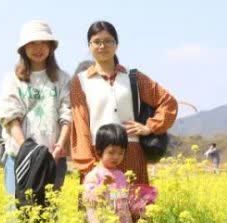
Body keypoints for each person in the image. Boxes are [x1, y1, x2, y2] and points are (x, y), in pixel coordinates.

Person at [70, 21, 178, 187]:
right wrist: (89, 168)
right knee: (99, 210)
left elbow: (168, 103)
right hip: (97, 156)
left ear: (116, 45)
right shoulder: (80, 81)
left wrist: (150, 127)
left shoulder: (133, 77)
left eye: (108, 41)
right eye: (97, 42)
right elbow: (80, 126)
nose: (102, 46)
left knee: (135, 209)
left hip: (131, 152)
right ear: (89, 46)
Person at [0, 20, 72, 197]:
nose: (38, 48)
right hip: (18, 157)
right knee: (16, 215)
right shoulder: (12, 79)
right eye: (32, 43)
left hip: (53, 158)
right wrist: (27, 150)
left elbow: (67, 114)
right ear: (23, 47)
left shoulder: (62, 79)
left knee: (46, 218)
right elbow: (10, 116)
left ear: (51, 47)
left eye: (43, 43)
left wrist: (60, 146)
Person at [82, 124, 134, 223]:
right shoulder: (93, 175)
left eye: (121, 153)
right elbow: (88, 199)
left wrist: (135, 196)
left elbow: (119, 196)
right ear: (99, 151)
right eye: (111, 152)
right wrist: (103, 186)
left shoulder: (120, 175)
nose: (116, 157)